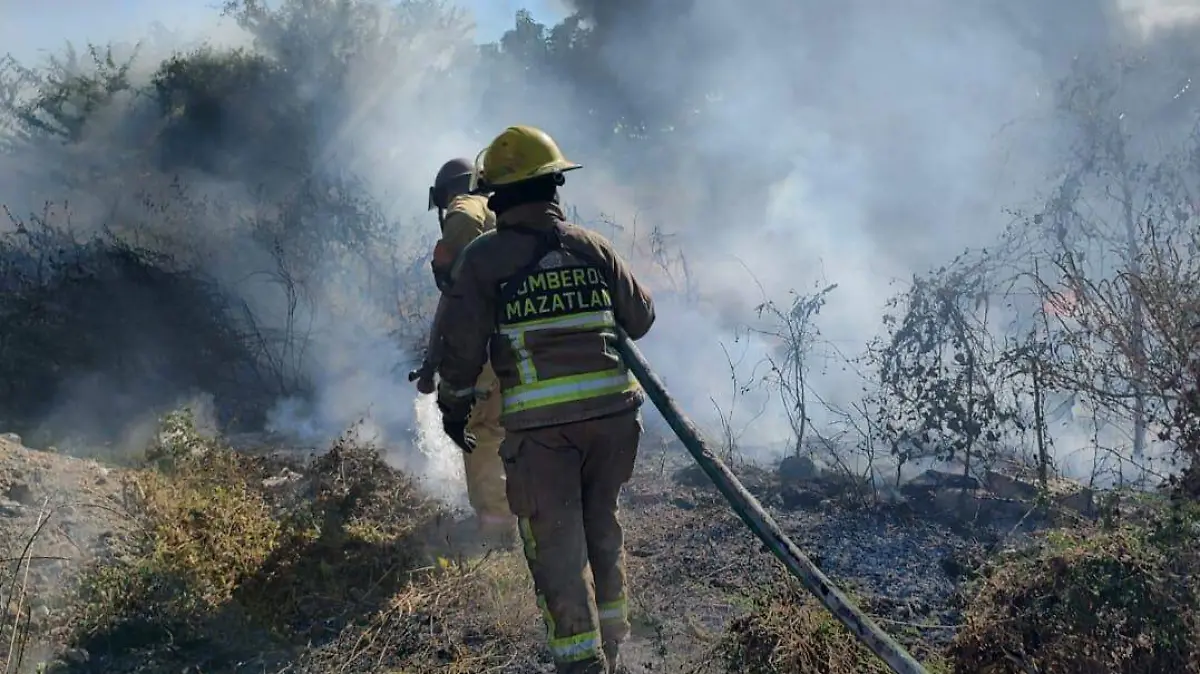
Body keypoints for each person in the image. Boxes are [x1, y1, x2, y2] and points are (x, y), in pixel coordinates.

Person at [434, 125, 655, 674]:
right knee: (601, 523)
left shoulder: (485, 260)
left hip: (543, 434)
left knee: (556, 547)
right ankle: (615, 642)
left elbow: (461, 350)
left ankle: (581, 664)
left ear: (498, 195)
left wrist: (454, 406)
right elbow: (642, 319)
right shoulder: (592, 246)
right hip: (614, 424)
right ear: (555, 185)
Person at [414, 157, 515, 545]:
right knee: (510, 423)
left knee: (480, 430)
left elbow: (459, 289)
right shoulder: (499, 209)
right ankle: (523, 510)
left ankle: (496, 526)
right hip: (518, 333)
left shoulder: (464, 209)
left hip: (487, 339)